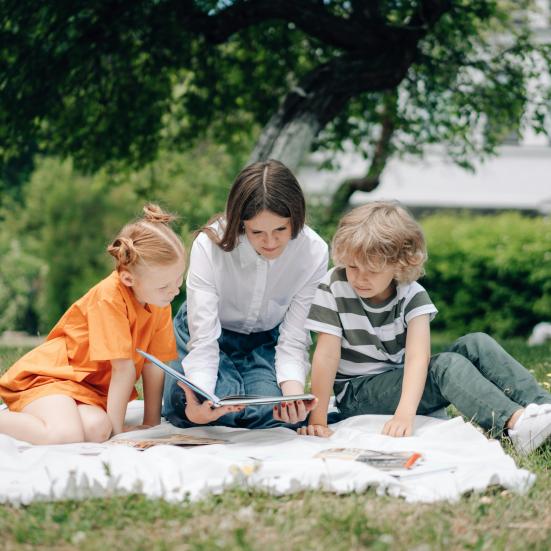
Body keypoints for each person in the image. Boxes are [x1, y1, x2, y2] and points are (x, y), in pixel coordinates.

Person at [299, 201, 551, 455]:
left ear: (400, 265)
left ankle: (544, 409)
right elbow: (326, 356)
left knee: (476, 342)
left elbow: (418, 358)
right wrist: (318, 419)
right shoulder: (333, 286)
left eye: (372, 270)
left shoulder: (412, 294)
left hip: (399, 381)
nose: (359, 277)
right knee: (445, 367)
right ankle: (515, 424)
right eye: (353, 266)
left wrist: (404, 410)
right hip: (357, 394)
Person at [0, 204, 186, 445]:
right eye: (165, 285)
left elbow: (154, 364)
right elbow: (123, 369)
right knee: (66, 436)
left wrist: (151, 423)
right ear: (128, 278)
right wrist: (118, 434)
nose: (175, 290)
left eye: (179, 279)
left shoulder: (160, 300)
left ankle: (54, 418)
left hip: (88, 390)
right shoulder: (109, 297)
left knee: (98, 429)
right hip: (53, 378)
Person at [162, 159, 327, 429]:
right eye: (257, 232)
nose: (270, 242)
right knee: (210, 407)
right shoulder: (209, 245)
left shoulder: (313, 251)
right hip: (206, 332)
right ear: (240, 223)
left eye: (281, 230)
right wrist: (200, 401)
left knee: (271, 414)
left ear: (295, 219)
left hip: (263, 341)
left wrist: (293, 398)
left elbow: (294, 337)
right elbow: (203, 340)